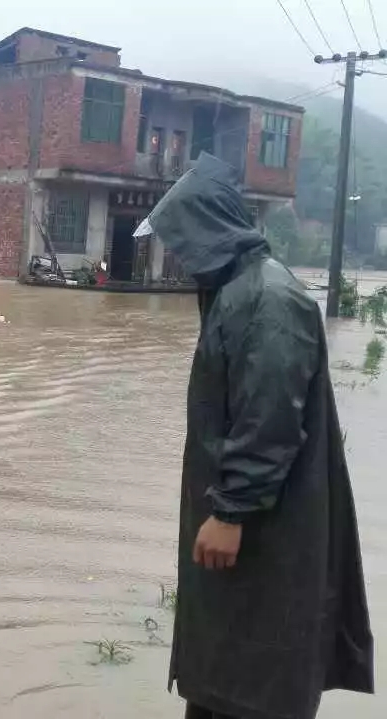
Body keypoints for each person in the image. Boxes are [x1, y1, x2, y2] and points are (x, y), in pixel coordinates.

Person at [141, 154, 373, 719]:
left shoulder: (268, 300)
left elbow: (269, 419)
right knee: (224, 675)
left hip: (268, 533)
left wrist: (232, 510)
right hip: (249, 537)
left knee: (258, 677)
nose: (176, 255)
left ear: (206, 229)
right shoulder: (237, 292)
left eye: (179, 240)